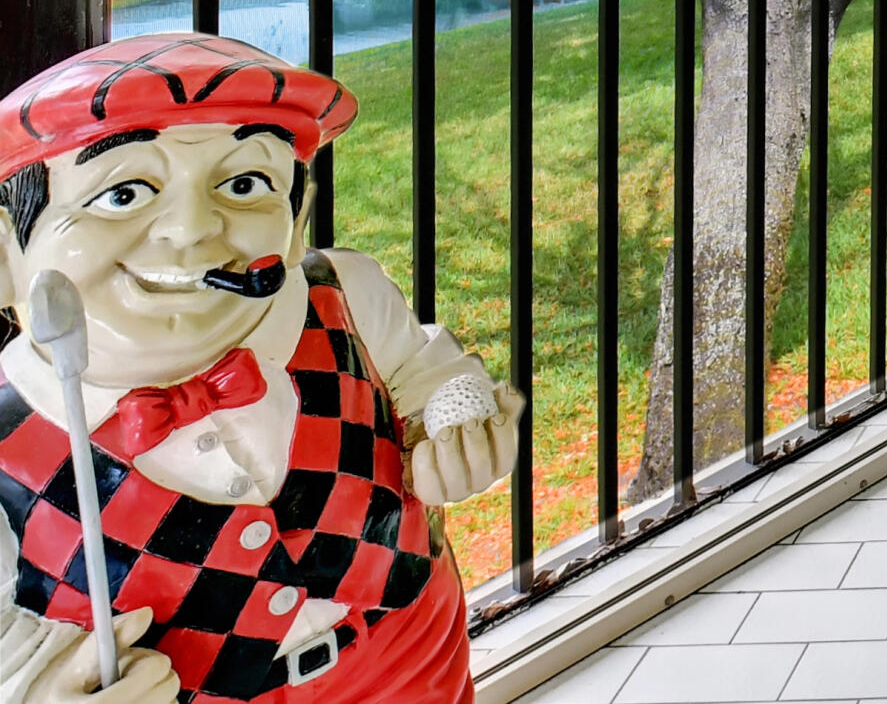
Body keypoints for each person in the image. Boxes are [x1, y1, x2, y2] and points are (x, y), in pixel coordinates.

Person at [0, 35, 521, 701]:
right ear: (7, 253)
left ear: (296, 218)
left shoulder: (343, 295)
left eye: (244, 184)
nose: (192, 228)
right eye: (123, 193)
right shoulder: (10, 441)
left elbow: (426, 369)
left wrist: (453, 422)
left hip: (407, 651)